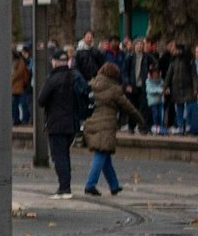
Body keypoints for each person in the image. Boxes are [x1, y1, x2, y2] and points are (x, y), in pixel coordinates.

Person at [82, 61, 142, 197]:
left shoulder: (92, 84)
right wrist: (140, 120)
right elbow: (128, 107)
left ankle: (114, 185)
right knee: (101, 153)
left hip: (91, 122)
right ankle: (90, 184)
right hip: (106, 124)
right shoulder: (114, 89)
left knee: (105, 154)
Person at [38, 48, 86, 198]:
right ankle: (66, 185)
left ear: (55, 62)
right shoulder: (75, 76)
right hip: (72, 122)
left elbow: (41, 100)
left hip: (56, 123)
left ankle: (64, 187)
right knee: (65, 154)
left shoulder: (52, 79)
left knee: (58, 156)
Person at [167, 41, 197, 136]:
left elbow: (194, 75)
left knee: (189, 107)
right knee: (179, 108)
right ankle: (180, 127)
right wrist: (165, 86)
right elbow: (169, 74)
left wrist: (196, 87)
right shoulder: (173, 60)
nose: (173, 51)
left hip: (188, 87)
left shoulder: (188, 60)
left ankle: (188, 125)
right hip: (177, 88)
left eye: (175, 49)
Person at [11, 49, 33, 127]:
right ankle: (16, 119)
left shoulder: (19, 62)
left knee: (21, 105)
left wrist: (10, 80)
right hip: (14, 87)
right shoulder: (14, 62)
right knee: (15, 105)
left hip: (18, 87)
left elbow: (18, 74)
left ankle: (21, 120)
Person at [146, 63, 167, 134]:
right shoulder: (148, 81)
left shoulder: (161, 81)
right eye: (154, 73)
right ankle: (155, 128)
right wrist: (160, 90)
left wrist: (165, 91)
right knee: (155, 115)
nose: (155, 74)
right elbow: (150, 90)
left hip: (160, 101)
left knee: (161, 115)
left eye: (157, 73)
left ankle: (161, 128)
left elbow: (164, 88)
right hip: (153, 102)